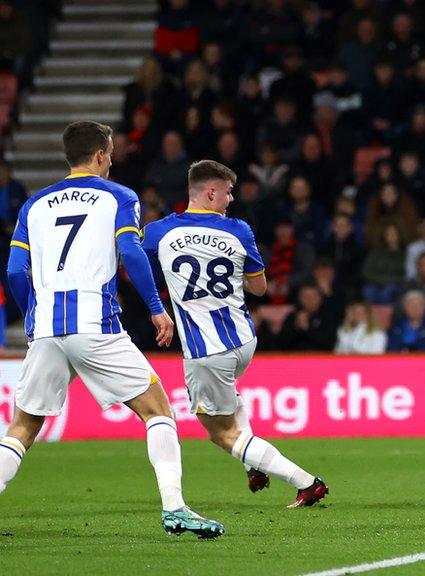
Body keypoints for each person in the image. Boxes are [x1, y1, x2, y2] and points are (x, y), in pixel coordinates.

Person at [2, 121, 223, 538]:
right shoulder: (119, 196)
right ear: (101, 155)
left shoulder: (34, 204)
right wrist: (157, 309)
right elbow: (131, 252)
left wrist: (32, 311)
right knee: (157, 410)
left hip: (48, 327)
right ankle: (175, 507)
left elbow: (15, 269)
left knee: (23, 428)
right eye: (111, 151)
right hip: (94, 322)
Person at [143, 160, 328, 507]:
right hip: (243, 340)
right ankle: (253, 461)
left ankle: (306, 482)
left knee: (220, 432)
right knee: (229, 401)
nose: (230, 200)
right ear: (210, 192)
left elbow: (133, 257)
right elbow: (259, 289)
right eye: (227, 192)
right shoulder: (239, 230)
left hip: (206, 349)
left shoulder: (160, 232)